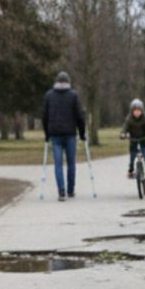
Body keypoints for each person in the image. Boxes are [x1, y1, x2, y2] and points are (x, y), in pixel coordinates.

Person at [42, 71, 86, 201]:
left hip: (55, 134)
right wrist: (82, 133)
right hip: (70, 134)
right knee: (71, 163)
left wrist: (46, 134)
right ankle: (71, 190)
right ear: (68, 82)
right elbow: (80, 116)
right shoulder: (73, 95)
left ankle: (61, 191)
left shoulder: (49, 95)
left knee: (58, 164)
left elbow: (45, 116)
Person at [120, 99, 145, 185]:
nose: (137, 112)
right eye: (135, 111)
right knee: (132, 157)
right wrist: (122, 134)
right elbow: (124, 127)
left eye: (139, 110)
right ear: (132, 111)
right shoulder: (129, 119)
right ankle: (131, 171)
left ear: (142, 111)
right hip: (134, 140)